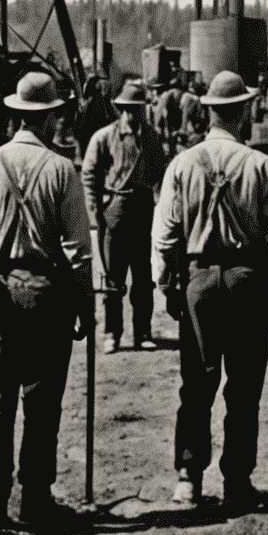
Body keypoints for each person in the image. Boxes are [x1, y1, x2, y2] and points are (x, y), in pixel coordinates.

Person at [151, 70, 268, 513]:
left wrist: (166, 283)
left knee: (196, 383)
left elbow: (165, 234)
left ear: (209, 111)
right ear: (245, 111)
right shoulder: (259, 165)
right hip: (248, 282)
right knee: (244, 386)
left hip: (198, 281)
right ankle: (236, 481)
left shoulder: (183, 164)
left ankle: (188, 480)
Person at [0, 71, 94, 530]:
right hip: (47, 297)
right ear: (52, 116)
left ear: (15, 114)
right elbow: (77, 250)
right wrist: (85, 304)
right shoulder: (61, 170)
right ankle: (35, 500)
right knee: (41, 403)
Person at [82, 77, 168, 353]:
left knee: (143, 279)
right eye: (128, 109)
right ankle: (112, 333)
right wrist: (96, 209)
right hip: (114, 213)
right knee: (112, 279)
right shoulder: (104, 137)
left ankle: (142, 331)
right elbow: (90, 174)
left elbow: (161, 173)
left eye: (138, 108)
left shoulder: (151, 137)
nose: (133, 114)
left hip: (143, 212)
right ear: (119, 110)